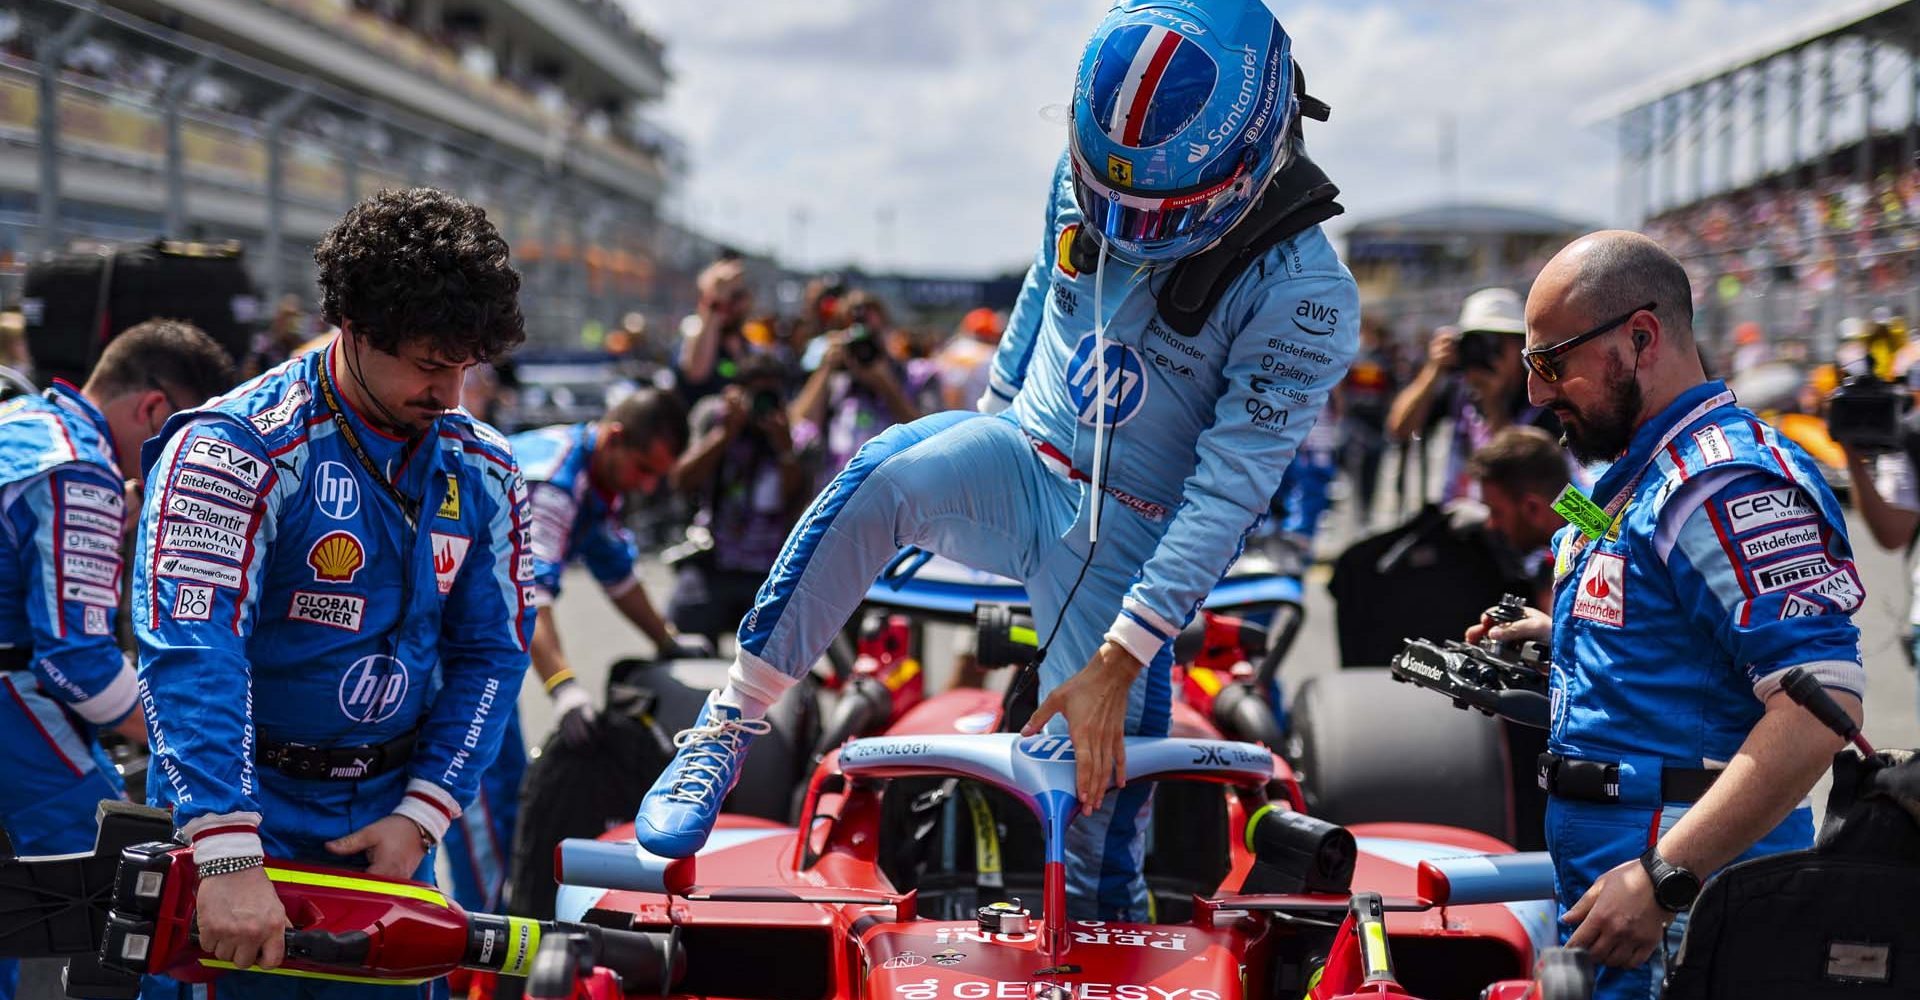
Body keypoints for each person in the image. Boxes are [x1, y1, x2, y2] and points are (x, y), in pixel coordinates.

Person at [635, 0, 1359, 921]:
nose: (1126, 227)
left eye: (1157, 209)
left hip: (1133, 545)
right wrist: (978, 439)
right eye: (1109, 197)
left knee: (1094, 847)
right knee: (887, 467)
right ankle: (726, 724)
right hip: (1021, 461)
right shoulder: (1080, 171)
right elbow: (1036, 307)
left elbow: (1226, 498)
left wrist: (1121, 658)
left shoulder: (1307, 295)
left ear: (1257, 151)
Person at [134, 188, 534, 998]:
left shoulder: (483, 466)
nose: (452, 393)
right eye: (430, 364)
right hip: (244, 817)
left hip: (387, 822)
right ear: (353, 328)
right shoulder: (236, 449)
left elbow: (492, 654)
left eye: (465, 367)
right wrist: (228, 851)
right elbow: (192, 650)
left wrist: (423, 816)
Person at [1470, 231, 1864, 1000]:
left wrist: (1663, 878)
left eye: (1551, 363)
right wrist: (1559, 638)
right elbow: (1677, 627)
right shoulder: (1641, 476)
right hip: (1628, 888)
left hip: (1676, 900)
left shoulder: (1722, 480)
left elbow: (1823, 707)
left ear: (1640, 338)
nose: (1538, 394)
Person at [0, 320, 234, 1000]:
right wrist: (188, 739)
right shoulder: (82, 466)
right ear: (153, 411)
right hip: (10, 699)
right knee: (132, 886)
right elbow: (78, 661)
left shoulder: (23, 419)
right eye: (178, 447)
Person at [437, 387, 696, 916]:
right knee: (479, 800)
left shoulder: (595, 477)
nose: (646, 486)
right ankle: (479, 958)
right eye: (644, 470)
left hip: (481, 645)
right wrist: (563, 686)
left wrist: (668, 642)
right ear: (616, 438)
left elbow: (617, 574)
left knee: (507, 790)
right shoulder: (553, 484)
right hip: (452, 653)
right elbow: (528, 594)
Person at [667, 353, 809, 641]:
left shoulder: (800, 434)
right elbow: (680, 480)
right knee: (683, 621)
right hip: (714, 559)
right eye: (757, 394)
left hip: (772, 569)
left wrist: (784, 449)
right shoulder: (715, 418)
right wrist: (724, 434)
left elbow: (796, 501)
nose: (764, 404)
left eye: (772, 394)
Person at [1387, 287, 1566, 502]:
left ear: (1521, 345)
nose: (1483, 354)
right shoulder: (1460, 390)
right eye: (1475, 343)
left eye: (1495, 344)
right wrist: (1433, 370)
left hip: (1530, 527)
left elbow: (1538, 483)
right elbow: (1399, 429)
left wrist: (1493, 404)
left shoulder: (1543, 399)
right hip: (1462, 523)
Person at [791, 291, 928, 489]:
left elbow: (927, 436)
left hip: (894, 491)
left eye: (871, 336)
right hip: (837, 491)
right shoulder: (836, 379)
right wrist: (826, 368)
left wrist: (885, 384)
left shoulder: (914, 375)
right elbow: (800, 422)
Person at [1466, 425, 1570, 606]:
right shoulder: (1587, 520)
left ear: (1532, 508)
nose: (1491, 524)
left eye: (1496, 512)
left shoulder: (1602, 555)